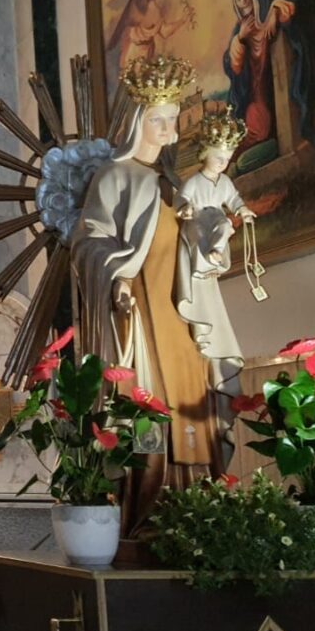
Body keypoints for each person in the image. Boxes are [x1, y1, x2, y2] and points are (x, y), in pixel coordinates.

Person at [71, 56, 244, 538]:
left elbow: (194, 252)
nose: (169, 132)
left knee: (192, 404)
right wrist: (118, 278)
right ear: (136, 123)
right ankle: (149, 510)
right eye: (158, 121)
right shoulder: (115, 177)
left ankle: (199, 510)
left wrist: (213, 240)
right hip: (142, 315)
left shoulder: (176, 184)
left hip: (182, 314)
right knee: (150, 405)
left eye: (173, 120)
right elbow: (87, 243)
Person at [224, 0, 306, 153]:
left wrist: (275, 9)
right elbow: (231, 66)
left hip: (276, 73)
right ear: (236, 5)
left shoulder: (267, 0)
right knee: (258, 126)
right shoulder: (240, 27)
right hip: (257, 85)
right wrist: (240, 38)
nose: (243, 0)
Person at [176, 111, 254, 275]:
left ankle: (215, 252)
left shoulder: (225, 181)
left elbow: (233, 198)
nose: (222, 163)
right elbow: (181, 197)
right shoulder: (194, 181)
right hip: (198, 218)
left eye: (227, 159)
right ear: (205, 154)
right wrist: (185, 207)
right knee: (199, 234)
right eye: (218, 158)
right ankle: (202, 265)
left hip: (217, 217)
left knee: (225, 225)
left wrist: (242, 210)